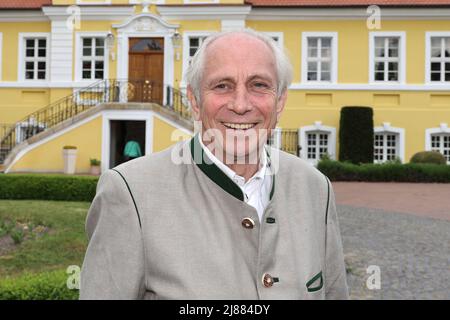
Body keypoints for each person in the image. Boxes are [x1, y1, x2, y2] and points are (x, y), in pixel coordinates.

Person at [80, 29, 348, 300]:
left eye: (258, 85)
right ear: (195, 101)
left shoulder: (316, 188)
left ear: (279, 101)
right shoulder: (131, 194)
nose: (241, 105)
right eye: (222, 85)